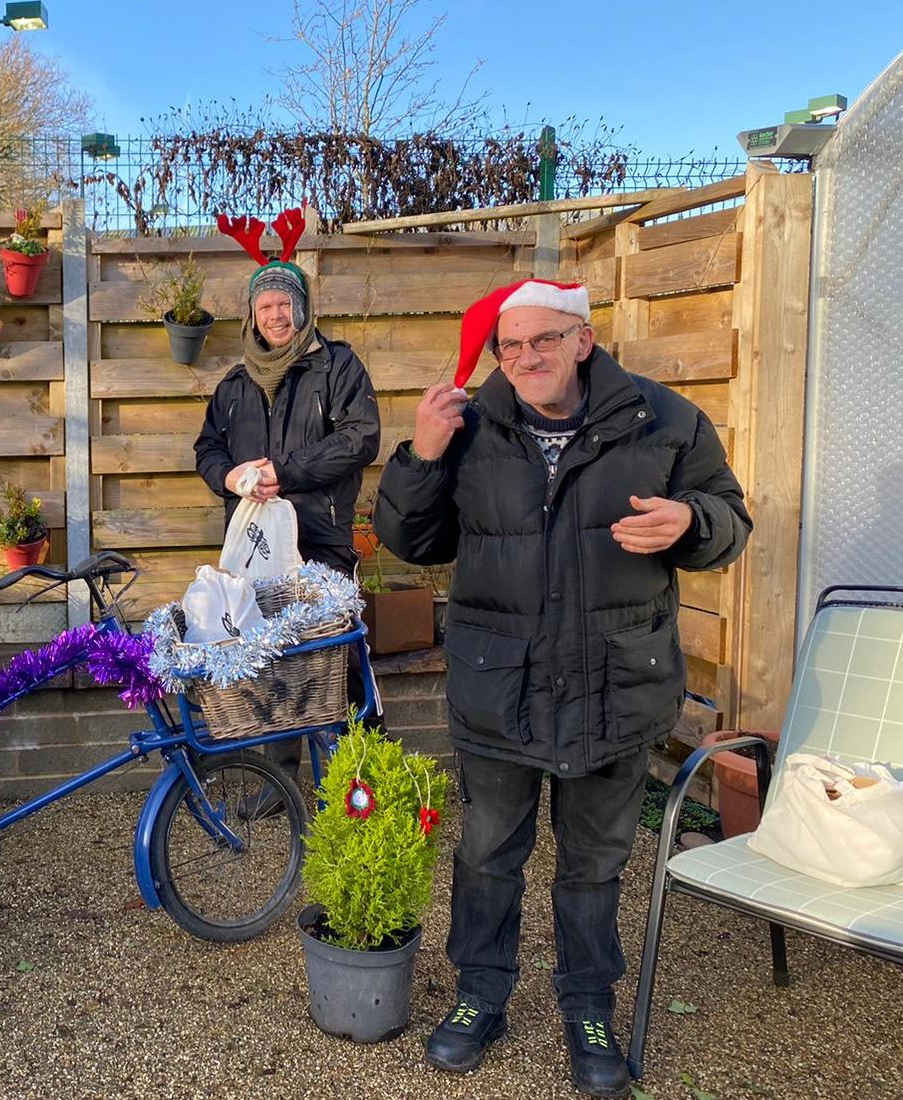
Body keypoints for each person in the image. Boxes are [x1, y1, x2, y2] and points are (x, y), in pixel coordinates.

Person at [374, 278, 752, 1098]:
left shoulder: (663, 420)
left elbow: (730, 520)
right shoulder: (470, 425)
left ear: (583, 339)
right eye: (509, 346)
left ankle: (588, 1006)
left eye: (543, 339)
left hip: (614, 688)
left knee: (593, 865)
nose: (525, 358)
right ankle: (481, 995)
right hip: (499, 689)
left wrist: (692, 522)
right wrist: (420, 457)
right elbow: (410, 541)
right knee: (486, 854)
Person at [194, 213, 381, 793]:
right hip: (254, 549)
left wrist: (287, 471)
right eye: (265, 305)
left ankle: (362, 779)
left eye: (284, 304)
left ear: (301, 309)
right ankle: (279, 784)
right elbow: (206, 449)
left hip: (320, 540)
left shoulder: (338, 366)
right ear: (252, 314)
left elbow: (361, 437)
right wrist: (230, 478)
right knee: (268, 663)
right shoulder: (234, 385)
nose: (275, 315)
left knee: (337, 659)